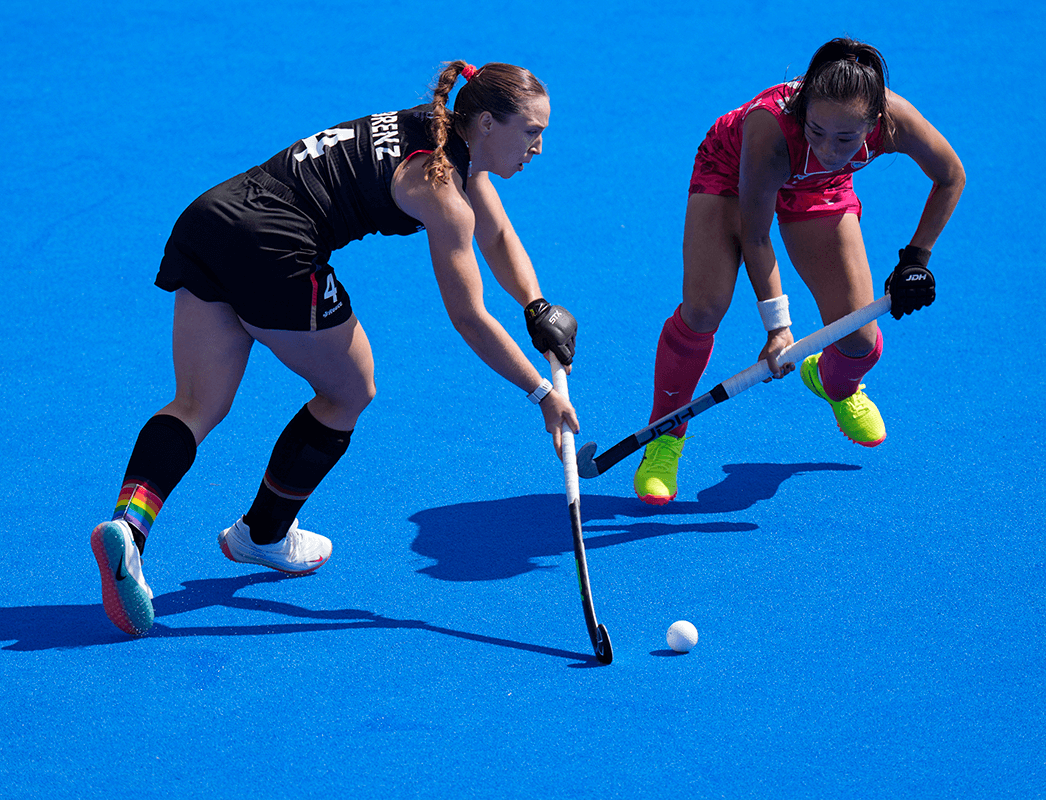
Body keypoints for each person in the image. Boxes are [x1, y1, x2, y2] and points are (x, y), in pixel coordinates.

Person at [89, 61, 580, 636]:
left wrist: (535, 306)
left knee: (197, 405)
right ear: (490, 124)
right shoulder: (442, 187)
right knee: (351, 388)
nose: (539, 148)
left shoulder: (443, 129)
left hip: (215, 216)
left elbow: (494, 233)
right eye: (531, 131)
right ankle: (263, 535)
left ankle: (129, 528)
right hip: (276, 247)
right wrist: (540, 391)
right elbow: (469, 318)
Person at [634, 37, 965, 505]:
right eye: (817, 131)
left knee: (859, 343)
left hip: (817, 190)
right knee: (705, 308)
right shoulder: (771, 128)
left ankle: (833, 384)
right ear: (804, 108)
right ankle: (664, 436)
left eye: (847, 139)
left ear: (873, 124)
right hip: (733, 176)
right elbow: (756, 236)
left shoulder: (895, 121)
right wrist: (778, 328)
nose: (830, 148)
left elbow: (950, 175)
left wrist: (915, 260)